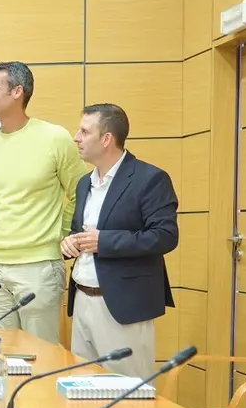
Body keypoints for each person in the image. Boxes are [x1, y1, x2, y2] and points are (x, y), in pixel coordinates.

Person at [64, 103, 178, 378]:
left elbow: (165, 236)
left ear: (106, 139)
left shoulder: (149, 179)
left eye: (84, 131)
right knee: (81, 388)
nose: (76, 137)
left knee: (127, 394)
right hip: (82, 297)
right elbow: (80, 231)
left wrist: (105, 242)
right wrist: (68, 244)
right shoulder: (84, 183)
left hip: (122, 304)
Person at [0, 61, 85, 343]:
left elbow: (79, 192)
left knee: (42, 357)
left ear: (17, 92)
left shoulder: (55, 137)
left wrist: (61, 235)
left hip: (39, 266)